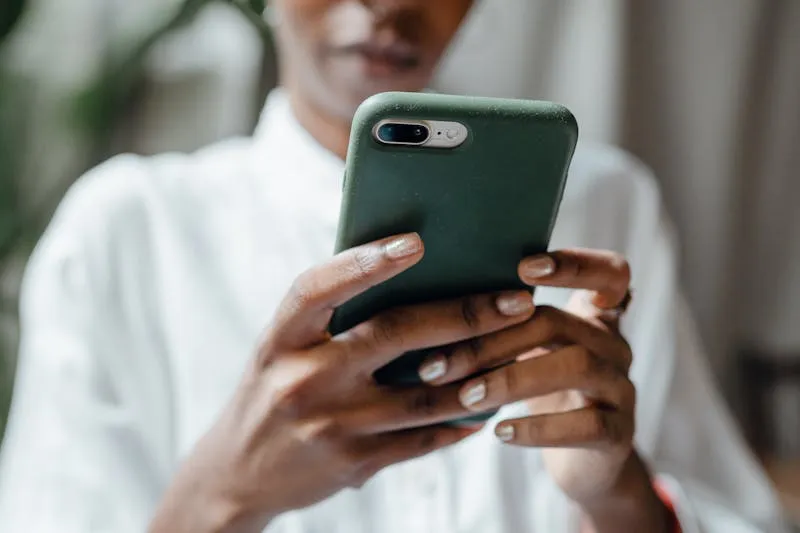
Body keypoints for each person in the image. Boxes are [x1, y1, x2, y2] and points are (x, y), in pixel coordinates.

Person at [0, 1, 788, 532]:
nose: (387, 2)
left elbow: (732, 511)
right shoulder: (125, 233)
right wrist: (227, 493)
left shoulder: (605, 207)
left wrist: (616, 494)